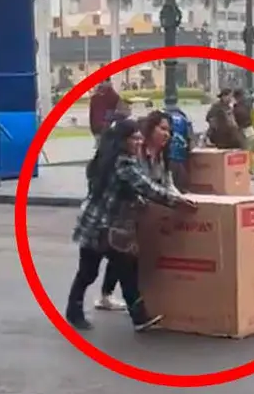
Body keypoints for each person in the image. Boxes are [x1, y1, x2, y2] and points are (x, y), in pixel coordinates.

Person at [66, 118, 196, 331]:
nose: (138, 141)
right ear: (122, 141)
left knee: (125, 269)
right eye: (133, 138)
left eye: (139, 137)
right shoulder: (122, 163)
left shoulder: (121, 160)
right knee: (91, 271)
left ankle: (139, 317)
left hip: (112, 226)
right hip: (101, 226)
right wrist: (177, 202)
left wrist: (142, 202)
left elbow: (130, 191)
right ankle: (76, 311)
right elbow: (146, 187)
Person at [232, 87, 254, 180]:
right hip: (249, 129)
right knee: (249, 152)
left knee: (246, 152)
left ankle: (249, 171)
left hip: (244, 129)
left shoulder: (238, 107)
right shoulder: (247, 104)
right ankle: (250, 171)